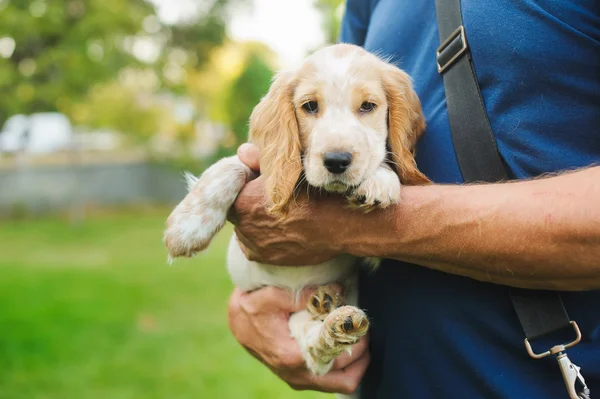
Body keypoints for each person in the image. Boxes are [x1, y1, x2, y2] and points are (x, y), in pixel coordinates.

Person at [227, 0, 600, 397]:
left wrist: (351, 226)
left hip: (543, 377)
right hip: (384, 380)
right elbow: (334, 127)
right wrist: (252, 307)